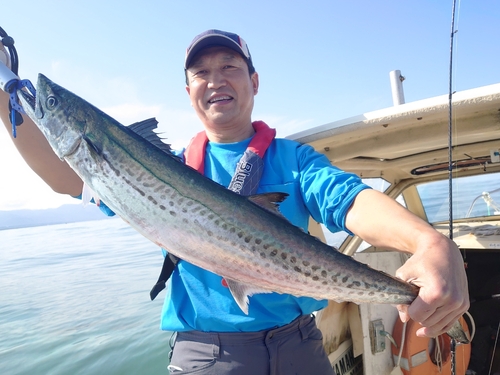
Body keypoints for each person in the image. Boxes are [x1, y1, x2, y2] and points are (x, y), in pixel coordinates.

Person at [0, 30, 469, 375]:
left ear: (254, 81)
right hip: (207, 355)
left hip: (302, 347)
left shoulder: (294, 160)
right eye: (201, 72)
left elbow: (350, 202)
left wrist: (428, 243)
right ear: (189, 92)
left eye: (229, 67)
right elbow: (67, 179)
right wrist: (5, 98)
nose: (215, 79)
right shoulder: (171, 164)